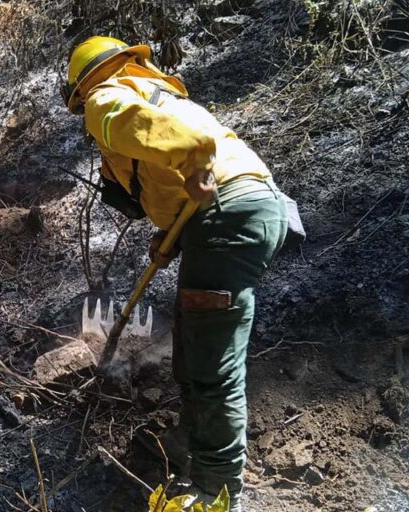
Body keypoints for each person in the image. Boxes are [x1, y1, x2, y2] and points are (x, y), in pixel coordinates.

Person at [62, 36, 289, 510]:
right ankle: (192, 443)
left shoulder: (107, 97)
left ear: (82, 89)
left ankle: (217, 490)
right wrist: (172, 240)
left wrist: (189, 153)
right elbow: (191, 188)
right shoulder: (160, 94)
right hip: (240, 214)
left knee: (212, 366)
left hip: (226, 215)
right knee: (192, 345)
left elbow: (184, 148)